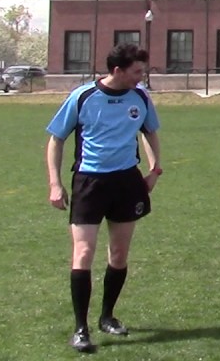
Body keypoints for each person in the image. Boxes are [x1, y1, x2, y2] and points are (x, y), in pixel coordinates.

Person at [45, 44, 162, 353]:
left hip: (126, 181)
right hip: (89, 181)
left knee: (119, 255)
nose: (142, 76)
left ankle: (107, 316)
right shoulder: (83, 97)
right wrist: (55, 184)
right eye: (137, 71)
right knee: (83, 252)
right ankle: (80, 328)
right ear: (117, 71)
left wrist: (154, 170)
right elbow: (56, 139)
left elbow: (149, 132)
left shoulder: (140, 97)